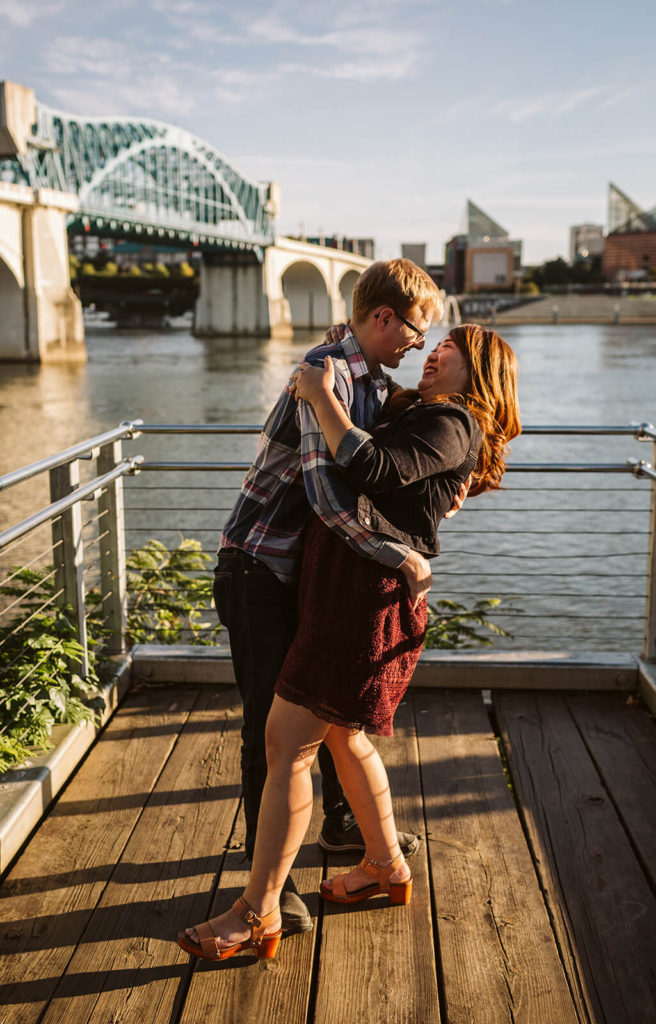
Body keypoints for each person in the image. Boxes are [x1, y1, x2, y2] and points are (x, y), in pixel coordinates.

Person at [177, 323, 522, 961]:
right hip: (344, 592)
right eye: (432, 340)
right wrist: (344, 349)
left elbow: (368, 463)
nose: (433, 351)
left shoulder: (453, 426)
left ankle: (256, 912)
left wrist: (316, 392)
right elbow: (370, 375)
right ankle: (386, 866)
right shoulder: (422, 411)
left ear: (478, 371)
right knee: (340, 735)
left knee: (287, 746)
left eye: (449, 347)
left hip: (362, 603)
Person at [210, 260, 445, 935]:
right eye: (414, 330)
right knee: (273, 729)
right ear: (382, 319)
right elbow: (324, 492)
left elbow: (386, 469)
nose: (417, 344)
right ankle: (271, 890)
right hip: (258, 565)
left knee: (319, 709)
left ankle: (342, 830)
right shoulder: (328, 372)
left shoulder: (369, 382)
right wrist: (393, 553)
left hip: (299, 575)